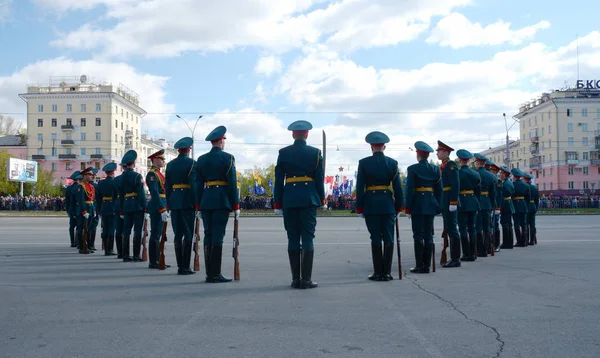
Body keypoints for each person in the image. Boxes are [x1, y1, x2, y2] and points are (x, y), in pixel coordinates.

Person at [273, 120, 326, 289]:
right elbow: (319, 179)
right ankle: (306, 280)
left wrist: (277, 202)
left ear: (293, 135)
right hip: (309, 198)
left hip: (289, 198)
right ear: (307, 134)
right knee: (308, 237)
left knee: (293, 237)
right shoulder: (315, 153)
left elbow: (278, 180)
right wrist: (322, 199)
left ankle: (295, 279)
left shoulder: (283, 153)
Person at [355, 131, 404, 281]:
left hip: (370, 204)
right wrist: (399, 207)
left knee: (375, 237)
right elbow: (397, 188)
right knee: (389, 238)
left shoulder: (364, 163)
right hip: (387, 204)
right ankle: (387, 272)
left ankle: (377, 272)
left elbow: (360, 186)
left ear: (371, 147)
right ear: (384, 146)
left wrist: (359, 207)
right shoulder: (392, 163)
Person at [195, 126, 240, 283]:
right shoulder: (228, 158)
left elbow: (197, 184)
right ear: (222, 141)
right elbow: (232, 183)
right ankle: (215, 274)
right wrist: (236, 205)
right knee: (218, 236)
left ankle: (210, 273)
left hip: (206, 200)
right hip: (221, 200)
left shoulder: (201, 159)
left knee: (208, 235)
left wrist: (198, 205)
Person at [404, 141, 441, 274]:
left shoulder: (412, 169)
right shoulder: (435, 169)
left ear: (418, 154)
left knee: (418, 235)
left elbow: (410, 190)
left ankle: (419, 265)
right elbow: (439, 190)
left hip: (418, 204)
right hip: (430, 203)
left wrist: (407, 208)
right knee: (429, 235)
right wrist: (438, 205)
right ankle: (427, 266)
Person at [165, 137, 197, 275]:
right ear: (188, 150)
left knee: (178, 234)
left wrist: (168, 204)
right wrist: (197, 203)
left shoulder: (170, 165)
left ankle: (180, 266)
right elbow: (194, 185)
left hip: (174, 201)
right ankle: (186, 266)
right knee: (188, 235)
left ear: (178, 150)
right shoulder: (192, 164)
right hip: (187, 202)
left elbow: (167, 186)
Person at [118, 150, 148, 262]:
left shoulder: (120, 178)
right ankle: (136, 255)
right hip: (137, 206)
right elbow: (141, 193)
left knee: (126, 231)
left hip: (126, 205)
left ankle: (126, 255)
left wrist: (121, 210)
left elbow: (120, 195)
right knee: (137, 230)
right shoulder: (137, 176)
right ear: (133, 163)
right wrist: (145, 207)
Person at [436, 141, 461, 268]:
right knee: (449, 229)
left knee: (452, 229)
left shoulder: (450, 165)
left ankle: (456, 258)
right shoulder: (444, 165)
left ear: (446, 152)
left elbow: (455, 184)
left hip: (450, 200)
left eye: (439, 151)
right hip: (445, 200)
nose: (437, 153)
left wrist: (453, 202)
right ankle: (454, 257)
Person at [146, 149, 169, 269]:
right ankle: (153, 261)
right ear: (155, 160)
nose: (163, 161)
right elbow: (155, 193)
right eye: (161, 159)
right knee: (155, 233)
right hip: (157, 206)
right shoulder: (152, 174)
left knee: (159, 233)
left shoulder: (159, 174)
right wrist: (162, 209)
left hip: (162, 204)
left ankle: (158, 259)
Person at [456, 150, 481, 262]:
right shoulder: (475, 173)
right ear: (469, 161)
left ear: (460, 160)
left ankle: (466, 253)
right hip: (473, 201)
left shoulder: (457, 172)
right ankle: (473, 253)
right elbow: (478, 190)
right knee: (472, 228)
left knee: (463, 229)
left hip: (462, 202)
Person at [473, 154, 497, 257]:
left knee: (478, 227)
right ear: (484, 164)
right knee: (487, 227)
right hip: (487, 203)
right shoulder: (491, 176)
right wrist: (493, 205)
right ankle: (487, 248)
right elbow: (493, 193)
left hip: (477, 202)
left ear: (478, 163)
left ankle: (480, 249)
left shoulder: (474, 173)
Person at [96, 162, 118, 256]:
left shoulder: (100, 183)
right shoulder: (115, 182)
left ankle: (106, 249)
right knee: (111, 228)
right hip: (112, 206)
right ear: (113, 172)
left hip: (104, 207)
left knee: (105, 228)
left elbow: (98, 198)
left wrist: (99, 209)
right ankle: (110, 249)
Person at [76, 167, 98, 254]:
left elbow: (93, 199)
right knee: (82, 228)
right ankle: (82, 247)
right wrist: (84, 211)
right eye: (89, 175)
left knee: (89, 228)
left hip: (91, 208)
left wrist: (94, 210)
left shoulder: (91, 186)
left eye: (91, 175)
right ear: (84, 176)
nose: (91, 176)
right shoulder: (80, 186)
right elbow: (80, 200)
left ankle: (88, 246)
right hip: (84, 209)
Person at [485, 160, 503, 252]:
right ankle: (489, 244)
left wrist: (497, 207)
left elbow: (499, 195)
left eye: (491, 170)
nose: (490, 171)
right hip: (490, 205)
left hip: (495, 206)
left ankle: (496, 245)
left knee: (495, 225)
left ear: (495, 172)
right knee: (489, 225)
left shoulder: (498, 181)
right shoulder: (491, 179)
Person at [511, 168, 530, 247]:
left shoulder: (512, 184)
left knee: (516, 224)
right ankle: (525, 241)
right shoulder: (526, 185)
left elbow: (511, 196)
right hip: (523, 205)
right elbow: (528, 198)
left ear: (514, 176)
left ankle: (519, 241)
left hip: (515, 205)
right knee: (524, 224)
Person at [113, 162, 127, 259]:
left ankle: (120, 253)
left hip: (118, 205)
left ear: (122, 167)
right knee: (126, 230)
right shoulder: (134, 176)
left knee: (118, 229)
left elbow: (114, 195)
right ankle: (125, 253)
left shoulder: (116, 179)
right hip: (129, 204)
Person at [498, 167, 515, 249]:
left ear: (505, 174)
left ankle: (507, 243)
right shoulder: (508, 183)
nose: (500, 175)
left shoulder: (505, 184)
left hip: (506, 204)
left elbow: (503, 195)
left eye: (501, 173)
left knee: (505, 224)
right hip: (508, 204)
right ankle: (509, 243)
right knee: (508, 224)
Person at [65, 171, 82, 248]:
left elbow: (67, 200)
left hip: (71, 209)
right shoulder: (80, 187)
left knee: (72, 226)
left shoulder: (69, 188)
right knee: (79, 226)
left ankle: (72, 242)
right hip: (78, 209)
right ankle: (78, 242)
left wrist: (68, 210)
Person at [523, 173, 539, 245]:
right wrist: (536, 208)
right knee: (532, 224)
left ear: (525, 179)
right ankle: (532, 240)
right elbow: (537, 200)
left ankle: (526, 240)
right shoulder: (535, 187)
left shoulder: (524, 186)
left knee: (526, 223)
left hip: (526, 206)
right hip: (533, 207)